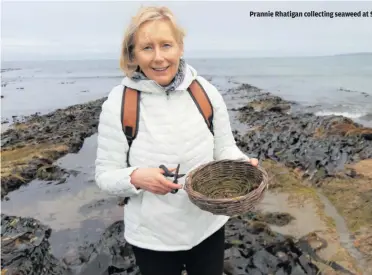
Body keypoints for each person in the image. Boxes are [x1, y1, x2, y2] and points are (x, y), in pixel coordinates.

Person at [94, 5, 258, 275]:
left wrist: (242, 165)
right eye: (147, 48)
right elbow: (104, 175)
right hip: (152, 238)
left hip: (207, 227)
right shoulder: (119, 103)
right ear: (133, 53)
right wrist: (135, 177)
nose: (159, 58)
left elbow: (225, 148)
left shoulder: (205, 92)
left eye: (166, 45)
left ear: (180, 47)